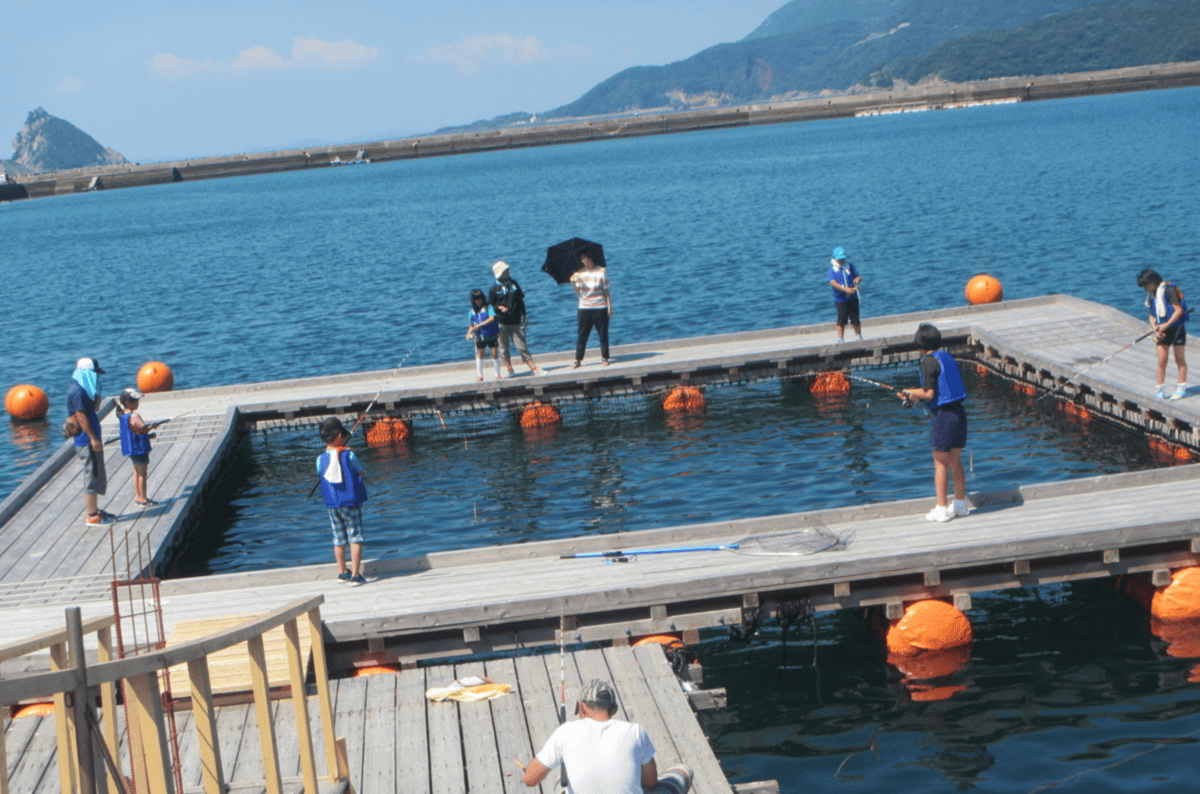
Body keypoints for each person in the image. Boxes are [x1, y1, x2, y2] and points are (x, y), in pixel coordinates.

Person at [523, 679, 693, 794]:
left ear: (582, 708)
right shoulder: (635, 731)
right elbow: (650, 782)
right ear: (613, 710)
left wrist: (534, 769)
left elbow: (530, 780)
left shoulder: (565, 731)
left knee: (561, 782)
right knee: (683, 771)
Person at [897, 324, 969, 523]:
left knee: (940, 463)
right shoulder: (947, 357)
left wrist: (909, 394)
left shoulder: (927, 362)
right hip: (959, 413)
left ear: (920, 345)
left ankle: (942, 509)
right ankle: (961, 506)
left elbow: (928, 394)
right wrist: (911, 393)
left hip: (944, 416)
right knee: (955, 461)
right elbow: (939, 390)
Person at [316, 417, 368, 586]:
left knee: (338, 538)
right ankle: (355, 575)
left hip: (332, 504)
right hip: (350, 502)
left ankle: (342, 572)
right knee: (355, 536)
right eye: (343, 437)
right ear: (339, 436)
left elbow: (320, 473)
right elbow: (360, 471)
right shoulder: (350, 454)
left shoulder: (319, 459)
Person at [67, 357, 113, 527]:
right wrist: (93, 438)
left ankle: (96, 509)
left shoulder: (85, 390)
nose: (95, 377)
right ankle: (92, 515)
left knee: (96, 474)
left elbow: (95, 409)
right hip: (86, 440)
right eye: (93, 374)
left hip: (91, 438)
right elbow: (81, 416)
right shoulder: (77, 392)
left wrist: (98, 393)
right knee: (91, 476)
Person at [1137, 268, 1189, 399]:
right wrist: (1156, 328)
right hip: (1162, 330)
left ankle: (1181, 388)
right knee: (1162, 360)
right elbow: (1152, 315)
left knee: (1179, 359)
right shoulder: (1153, 293)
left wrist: (1166, 325)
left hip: (1176, 328)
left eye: (1146, 286)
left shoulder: (1169, 290)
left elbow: (1178, 311)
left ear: (1153, 282)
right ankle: (1160, 389)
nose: (1146, 289)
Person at [488, 261, 543, 376]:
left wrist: (524, 315)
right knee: (503, 349)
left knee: (522, 346)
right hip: (500, 322)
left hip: (515, 320)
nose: (508, 272)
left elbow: (520, 301)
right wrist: (499, 308)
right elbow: (490, 306)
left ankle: (534, 368)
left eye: (507, 270)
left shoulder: (514, 284)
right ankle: (510, 369)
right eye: (505, 271)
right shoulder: (493, 290)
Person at [117, 388, 159, 507]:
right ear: (127, 402)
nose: (137, 402)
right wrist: (152, 427)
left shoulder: (123, 415)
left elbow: (134, 431)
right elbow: (143, 429)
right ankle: (143, 499)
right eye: (134, 400)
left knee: (136, 472)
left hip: (131, 449)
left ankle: (138, 497)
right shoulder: (135, 416)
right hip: (140, 449)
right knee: (142, 474)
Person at [570, 250, 612, 368]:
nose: (583, 261)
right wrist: (573, 283)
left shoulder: (601, 271)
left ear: (590, 258)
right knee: (582, 334)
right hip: (584, 306)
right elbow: (579, 292)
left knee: (603, 334)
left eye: (585, 258)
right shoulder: (579, 273)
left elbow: (606, 291)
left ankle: (605, 358)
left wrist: (609, 308)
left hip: (600, 306)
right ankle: (578, 359)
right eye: (582, 259)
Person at [466, 288, 503, 381]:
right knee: (480, 354)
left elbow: (491, 318)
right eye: (476, 300)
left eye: (480, 299)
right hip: (479, 337)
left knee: (494, 353)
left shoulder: (489, 307)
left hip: (492, 334)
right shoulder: (472, 312)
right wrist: (469, 333)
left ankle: (497, 374)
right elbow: (471, 325)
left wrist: (480, 325)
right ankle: (480, 375)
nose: (479, 301)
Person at [828, 246, 862, 342]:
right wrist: (845, 289)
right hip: (840, 299)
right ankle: (840, 338)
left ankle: (858, 335)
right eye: (840, 259)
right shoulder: (832, 270)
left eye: (843, 258)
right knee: (842, 318)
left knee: (855, 318)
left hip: (852, 297)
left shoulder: (850, 266)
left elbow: (857, 277)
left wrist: (857, 279)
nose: (842, 260)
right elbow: (833, 283)